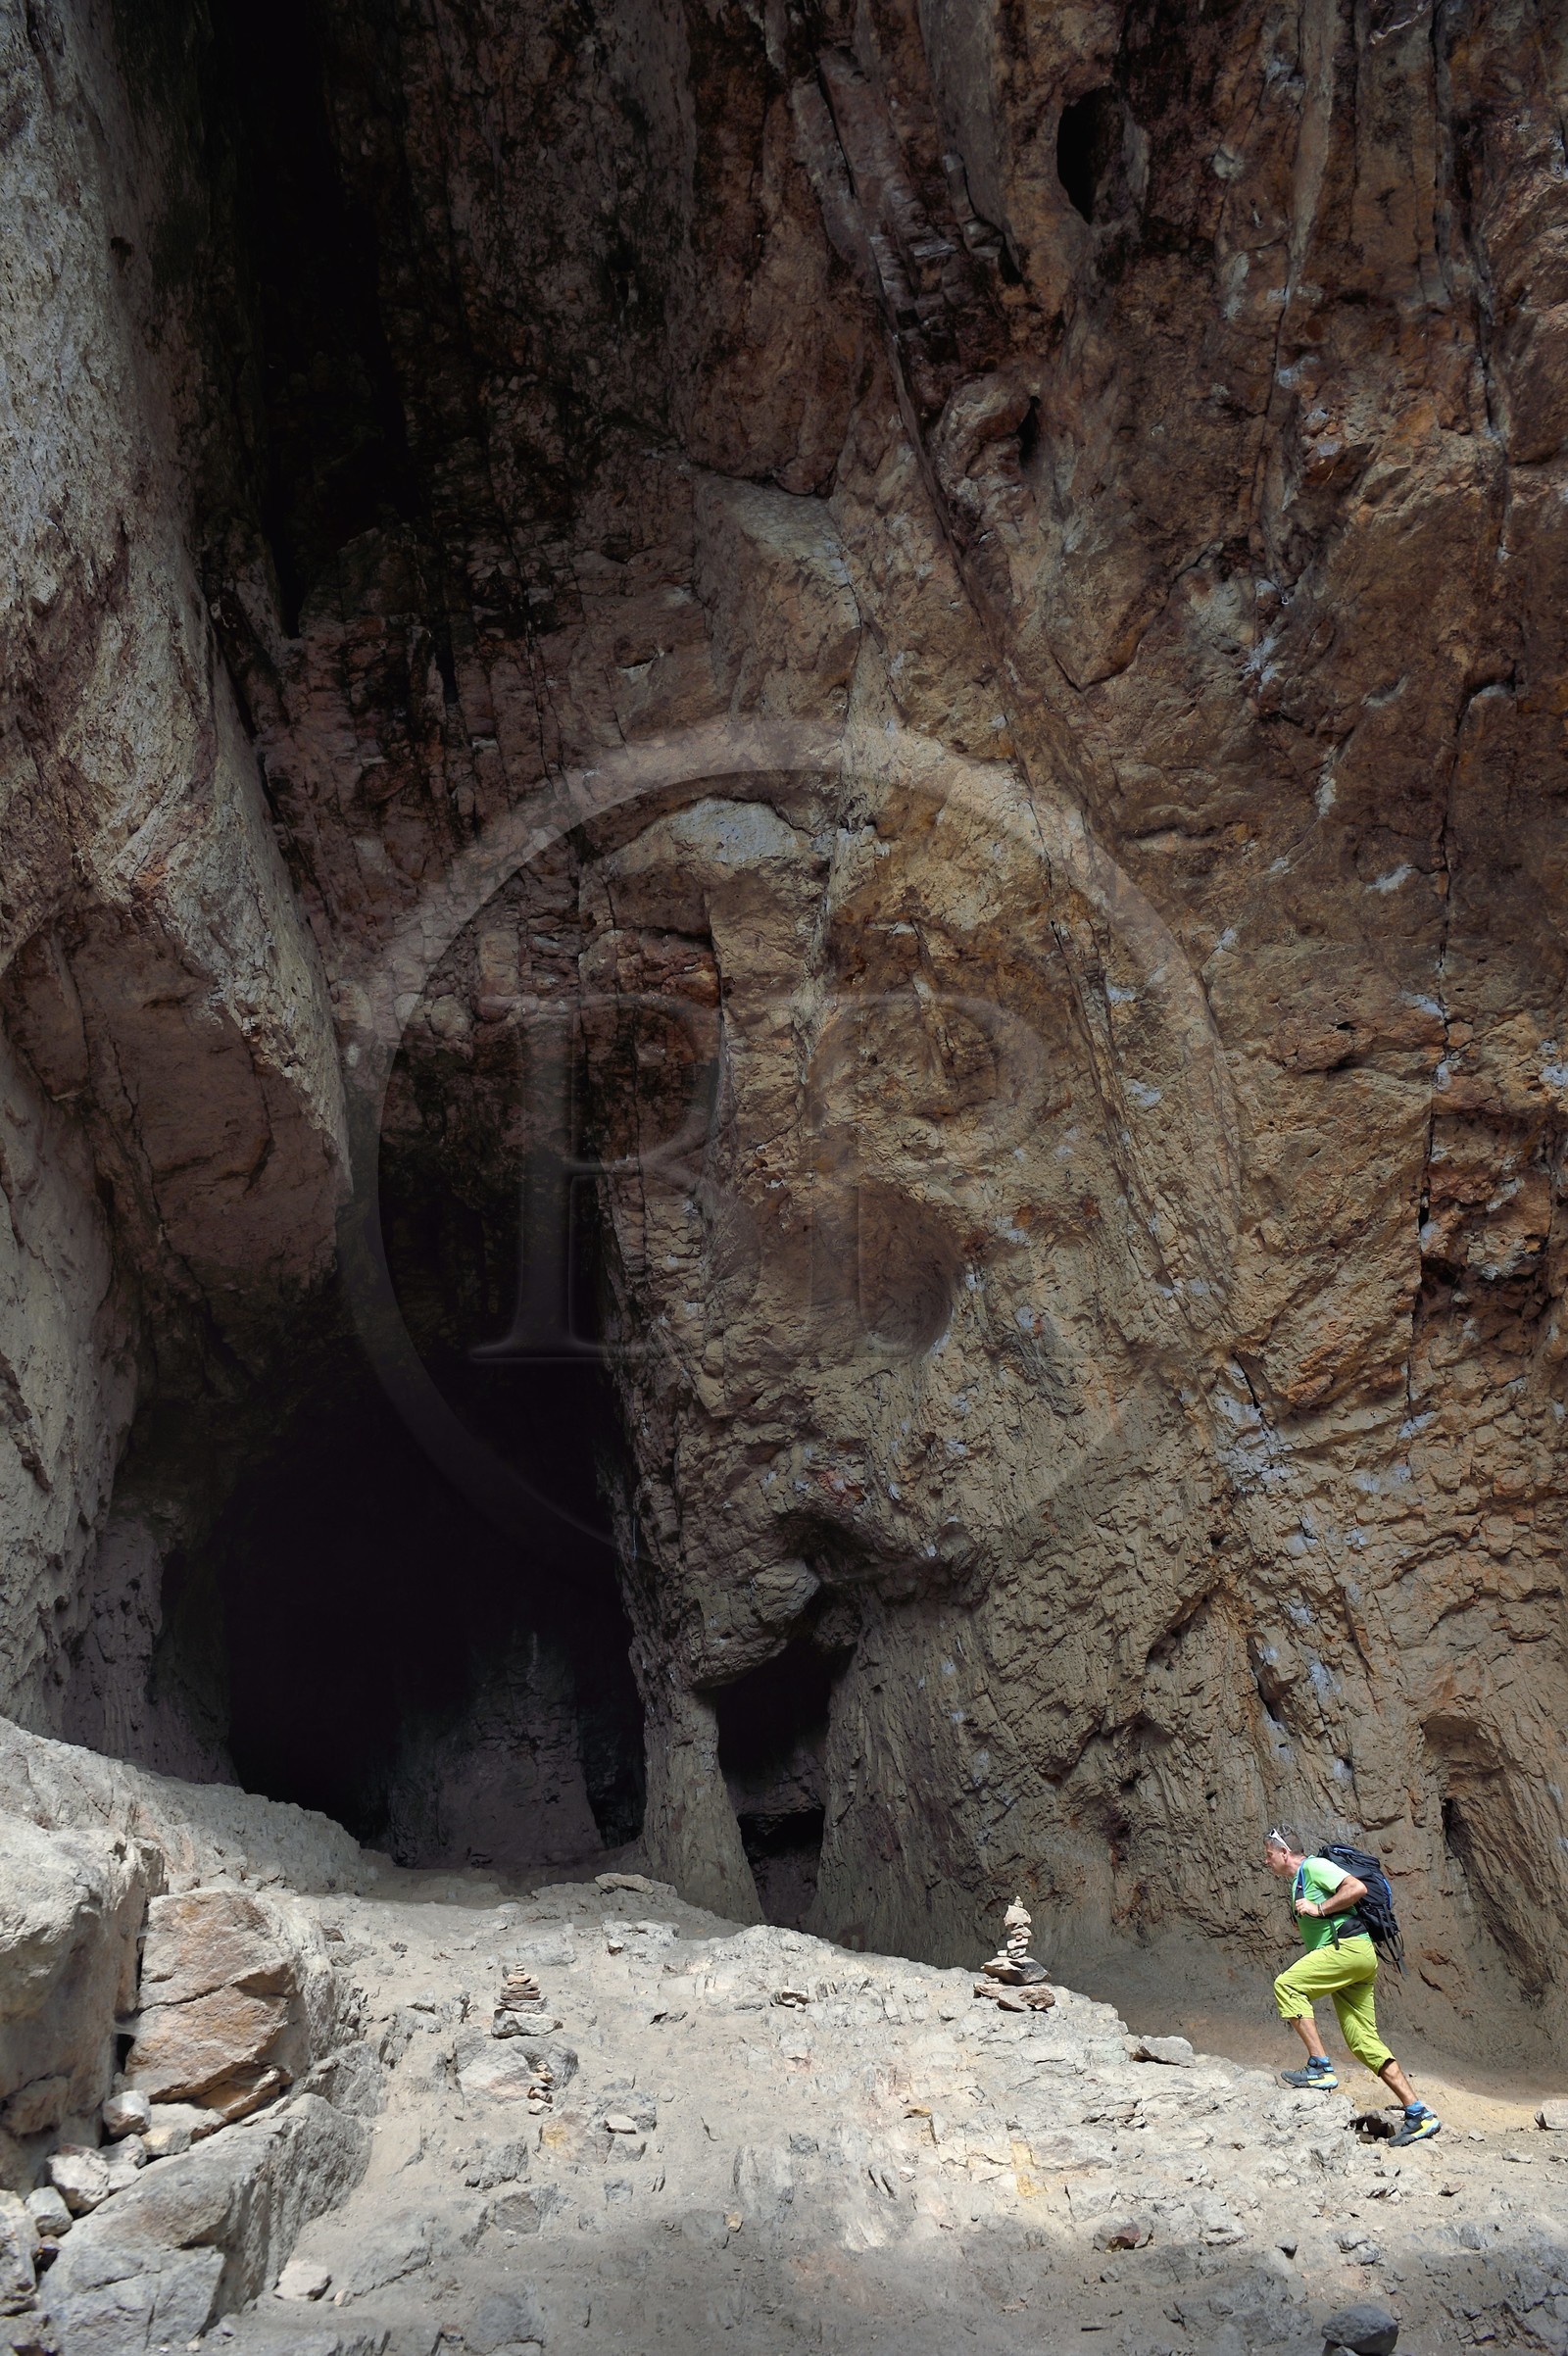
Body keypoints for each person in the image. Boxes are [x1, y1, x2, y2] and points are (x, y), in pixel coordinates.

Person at [1264, 1827, 1441, 2146]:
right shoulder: (1299, 1882)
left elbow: (1356, 1888)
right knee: (1362, 2041)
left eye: (1269, 1854)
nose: (1266, 1861)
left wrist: (1319, 1909)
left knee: (1287, 1985)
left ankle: (1319, 2067)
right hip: (1352, 1958)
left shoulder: (1314, 1866)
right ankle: (1418, 2114)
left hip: (1347, 1950)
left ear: (1284, 1853)